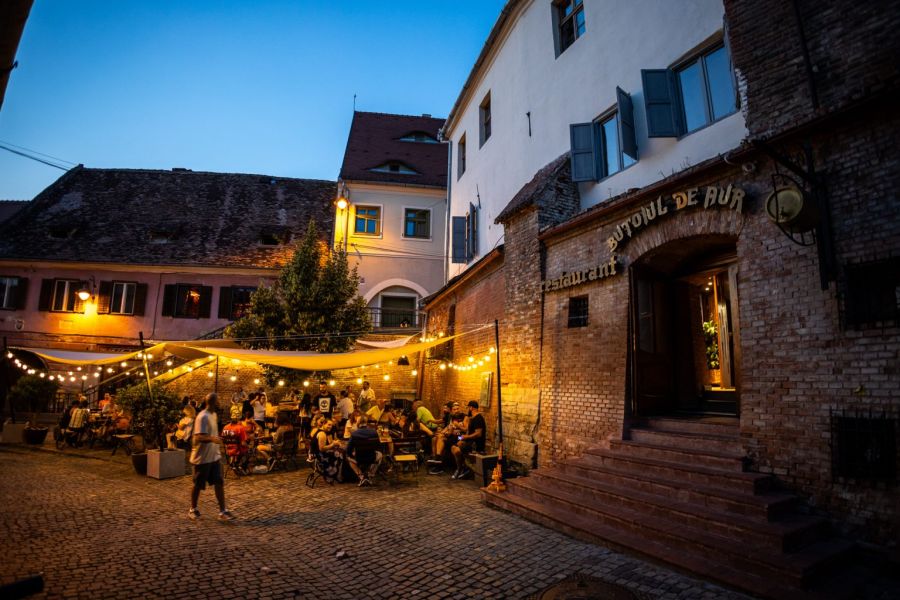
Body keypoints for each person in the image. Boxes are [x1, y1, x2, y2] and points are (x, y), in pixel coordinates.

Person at [189, 393, 235, 521]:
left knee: (219, 482)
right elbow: (199, 437)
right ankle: (193, 509)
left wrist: (217, 438)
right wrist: (212, 439)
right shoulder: (202, 416)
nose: (219, 402)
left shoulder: (213, 415)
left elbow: (210, 433)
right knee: (198, 484)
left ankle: (223, 511)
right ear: (213, 402)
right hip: (202, 458)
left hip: (214, 457)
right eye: (218, 400)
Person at [450, 401, 486, 480]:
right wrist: (461, 438)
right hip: (469, 441)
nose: (468, 409)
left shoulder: (478, 418)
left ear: (471, 408)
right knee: (453, 445)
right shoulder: (472, 418)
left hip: (475, 444)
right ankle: (463, 467)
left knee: (456, 450)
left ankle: (461, 468)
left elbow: (478, 433)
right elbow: (468, 432)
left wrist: (466, 437)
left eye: (468, 407)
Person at [346, 418, 382, 486]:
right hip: (372, 457)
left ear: (358, 424)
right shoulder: (374, 432)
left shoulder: (354, 434)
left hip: (359, 458)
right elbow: (378, 446)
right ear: (366, 423)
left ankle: (361, 476)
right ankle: (370, 474)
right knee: (380, 454)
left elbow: (348, 450)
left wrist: (352, 455)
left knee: (348, 457)